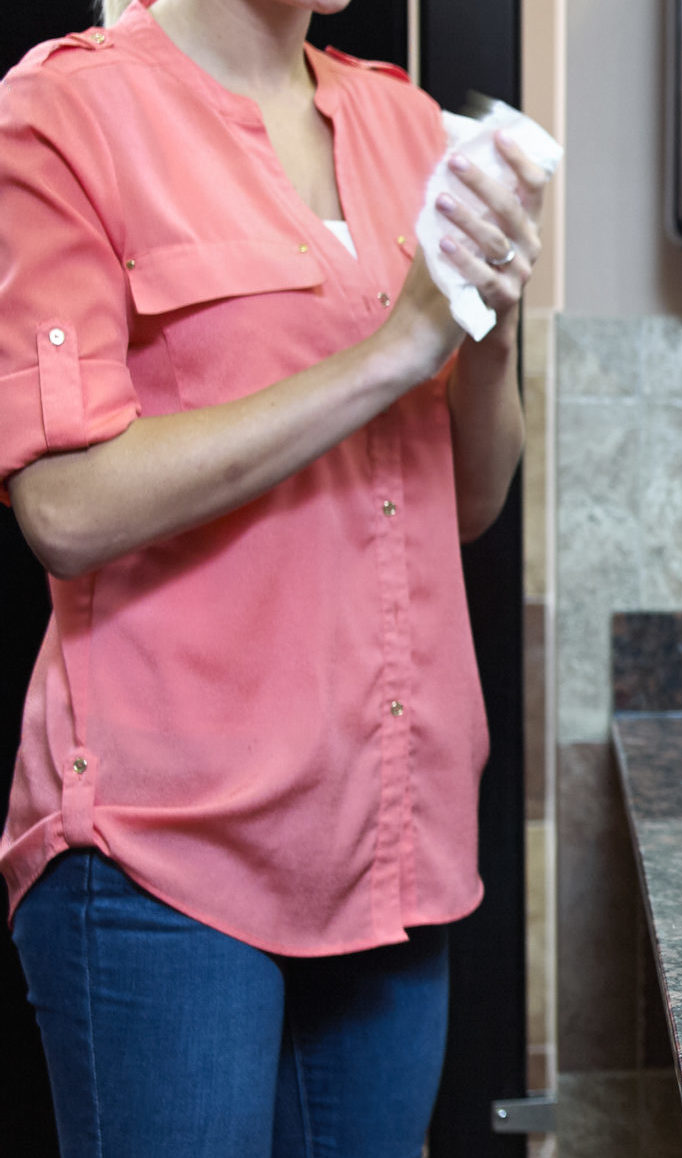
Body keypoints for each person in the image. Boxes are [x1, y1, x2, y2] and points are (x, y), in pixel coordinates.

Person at [0, 0, 547, 1151]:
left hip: (391, 843)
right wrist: (393, 348)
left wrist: (492, 332)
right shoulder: (69, 110)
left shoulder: (406, 124)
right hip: (166, 849)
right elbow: (63, 507)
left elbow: (474, 502)